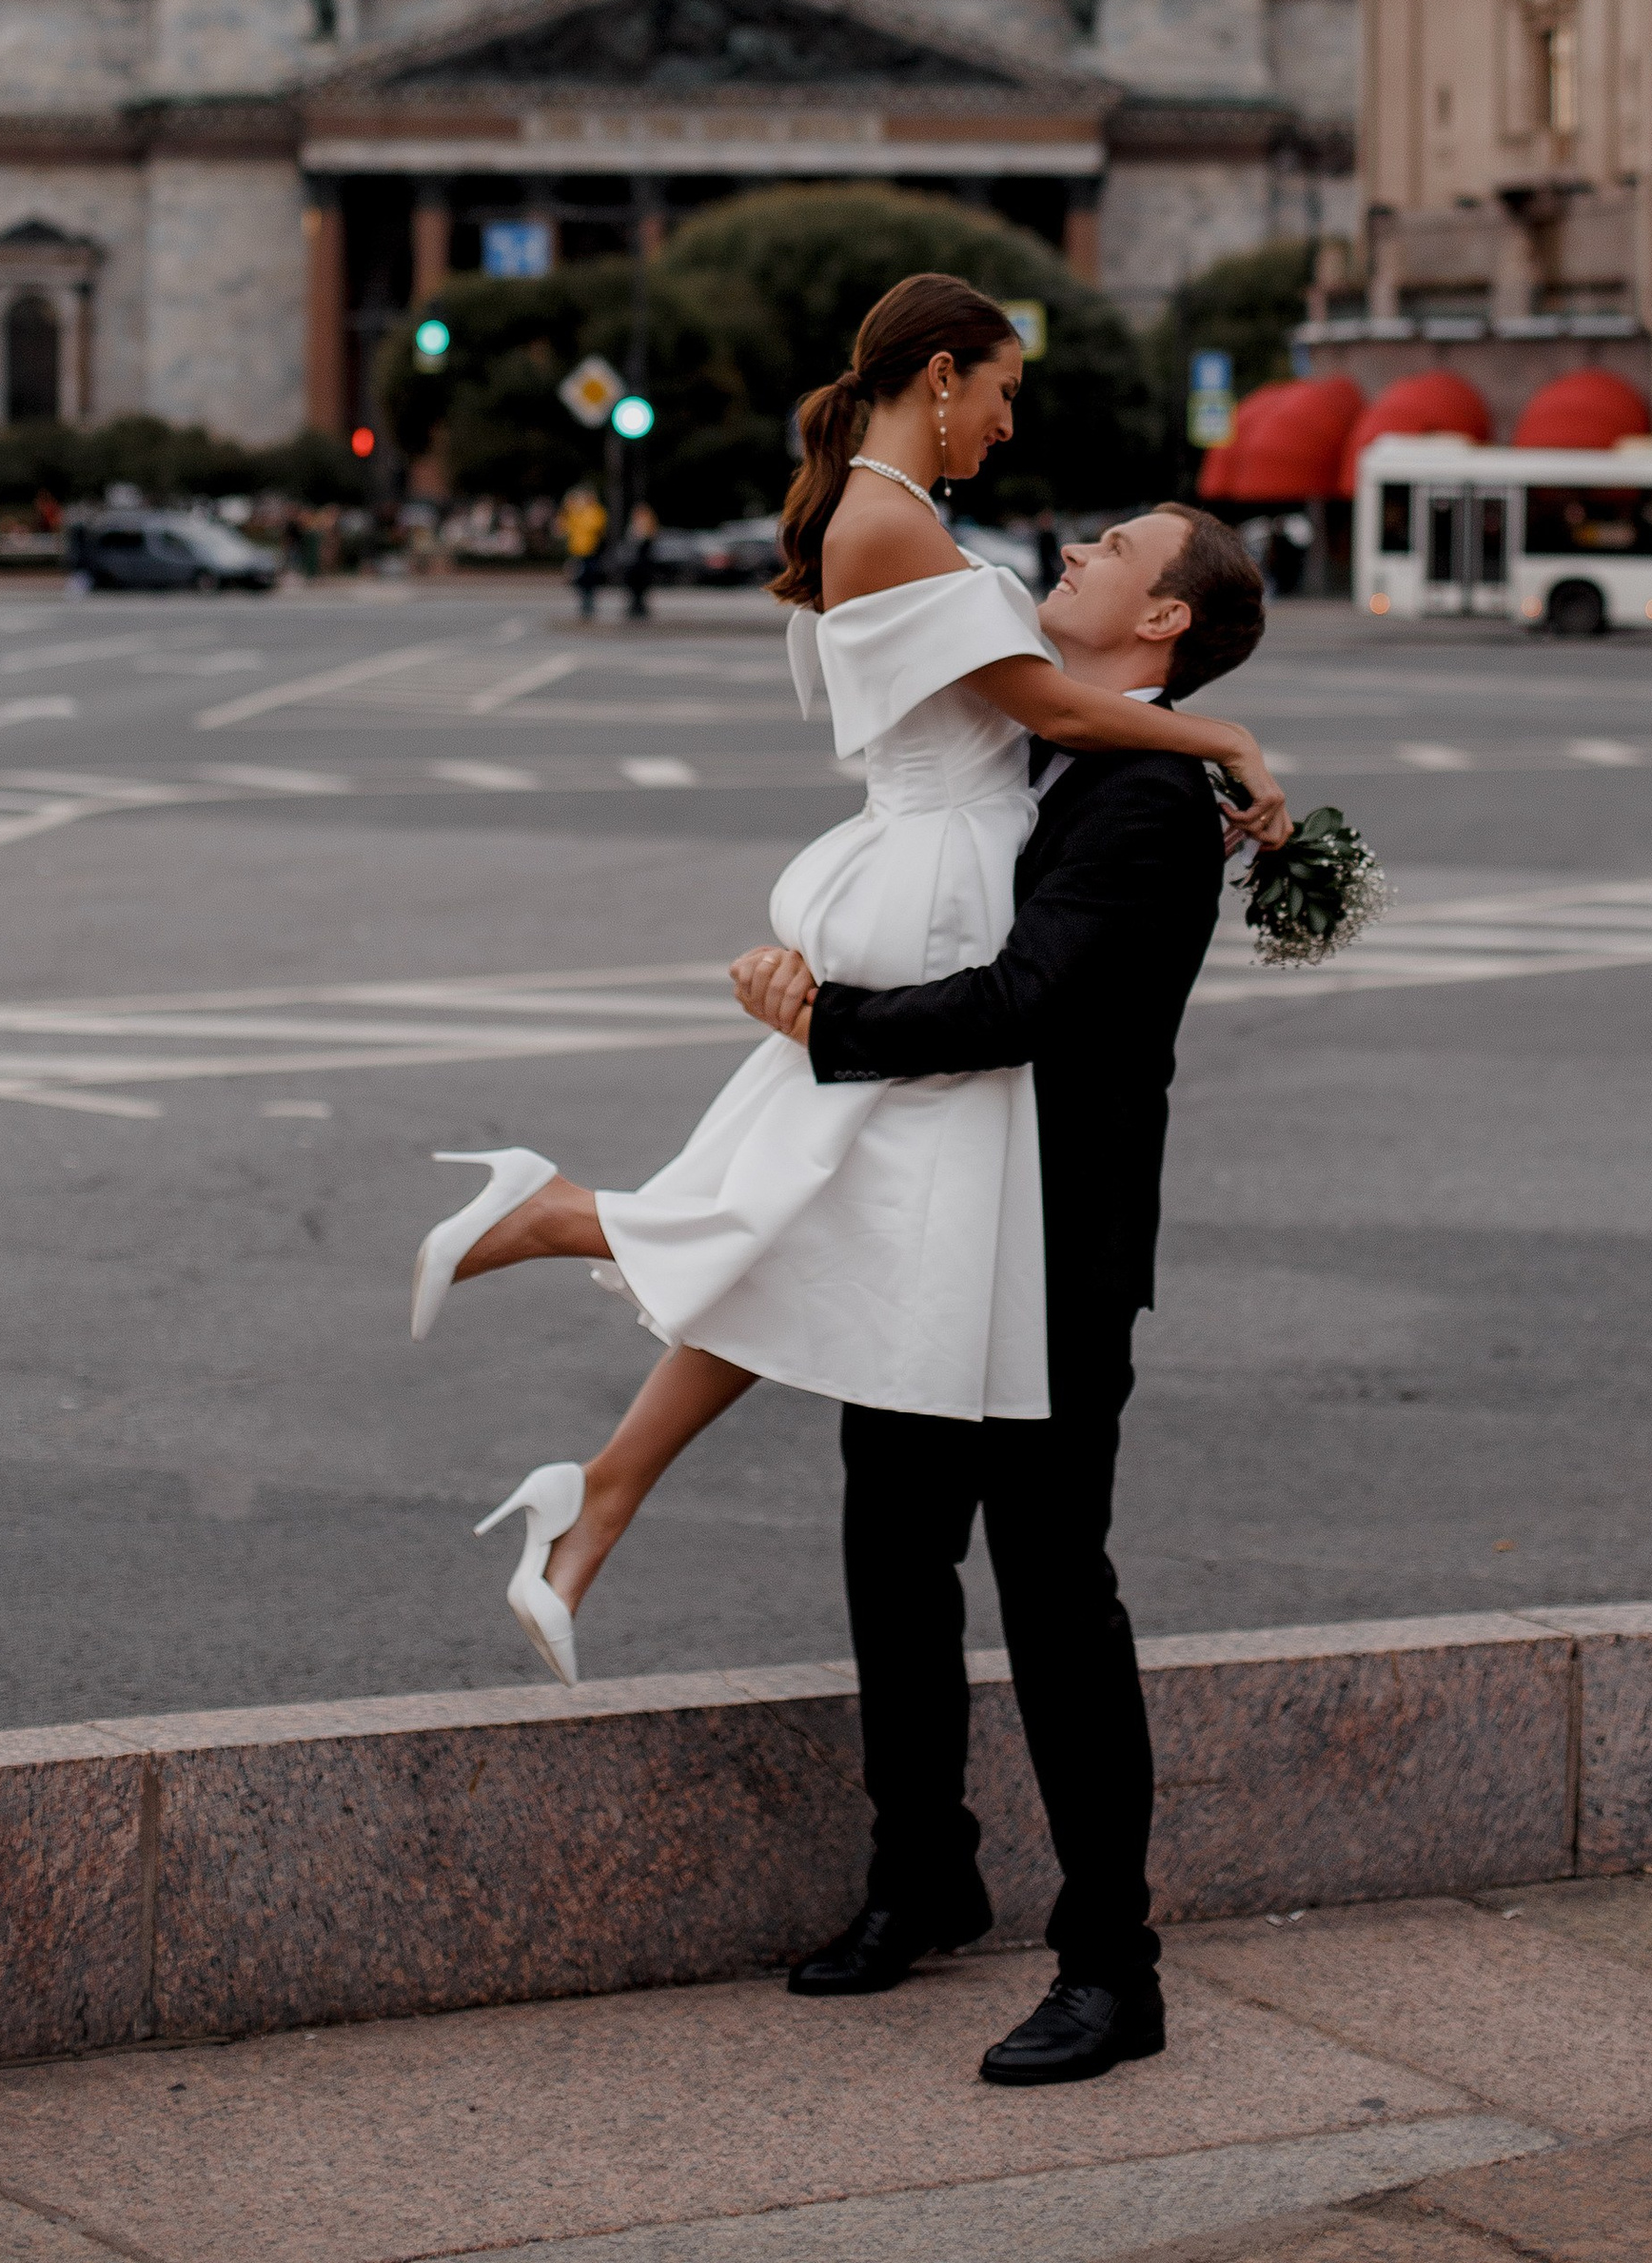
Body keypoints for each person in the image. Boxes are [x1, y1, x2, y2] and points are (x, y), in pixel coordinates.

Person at [403, 273, 1289, 1702]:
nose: (1010, 424)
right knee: (816, 1197)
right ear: (941, 375)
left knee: (817, 1210)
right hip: (939, 883)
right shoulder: (886, 516)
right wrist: (1227, 737)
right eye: (1002, 391)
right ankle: (563, 1224)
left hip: (932, 870)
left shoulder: (887, 509)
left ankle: (598, 1489)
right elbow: (1045, 706)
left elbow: (1041, 715)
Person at [730, 494, 1266, 2088]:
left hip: (1047, 1253)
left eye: (1116, 550)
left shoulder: (1148, 800)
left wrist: (826, 1024)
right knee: (893, 1552)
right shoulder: (1045, 747)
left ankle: (1114, 1965)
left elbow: (1027, 1001)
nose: (1077, 551)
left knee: (1051, 1593)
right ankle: (925, 1874)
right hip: (937, 1226)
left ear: (1164, 621)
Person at [561, 481, 608, 619]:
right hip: (578, 550)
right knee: (578, 578)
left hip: (591, 550)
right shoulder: (576, 512)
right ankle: (584, 601)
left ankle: (589, 602)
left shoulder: (596, 511)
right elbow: (566, 527)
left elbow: (594, 527)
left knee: (590, 577)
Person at [621, 499, 659, 622]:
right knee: (635, 589)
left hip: (641, 566)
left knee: (640, 588)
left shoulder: (647, 528)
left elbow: (646, 547)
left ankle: (639, 607)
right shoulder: (633, 528)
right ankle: (636, 607)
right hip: (635, 566)